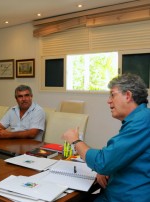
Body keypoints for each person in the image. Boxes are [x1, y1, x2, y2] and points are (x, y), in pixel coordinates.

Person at [63, 74, 150, 202]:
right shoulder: (141, 118)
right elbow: (116, 156)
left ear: (128, 96)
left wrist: (75, 141)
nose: (108, 101)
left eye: (112, 95)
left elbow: (102, 162)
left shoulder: (142, 121)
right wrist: (109, 168)